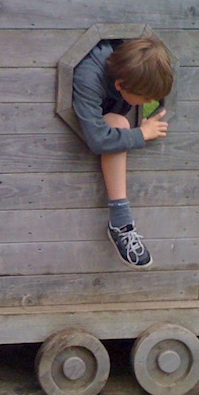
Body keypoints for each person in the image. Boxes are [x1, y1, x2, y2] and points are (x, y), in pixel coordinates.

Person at [72, 37, 174, 269]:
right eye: (146, 98)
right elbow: (98, 139)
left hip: (106, 109)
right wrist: (141, 134)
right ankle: (121, 223)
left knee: (118, 122)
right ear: (120, 85)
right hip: (90, 120)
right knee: (118, 123)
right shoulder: (88, 77)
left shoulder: (136, 68)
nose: (149, 102)